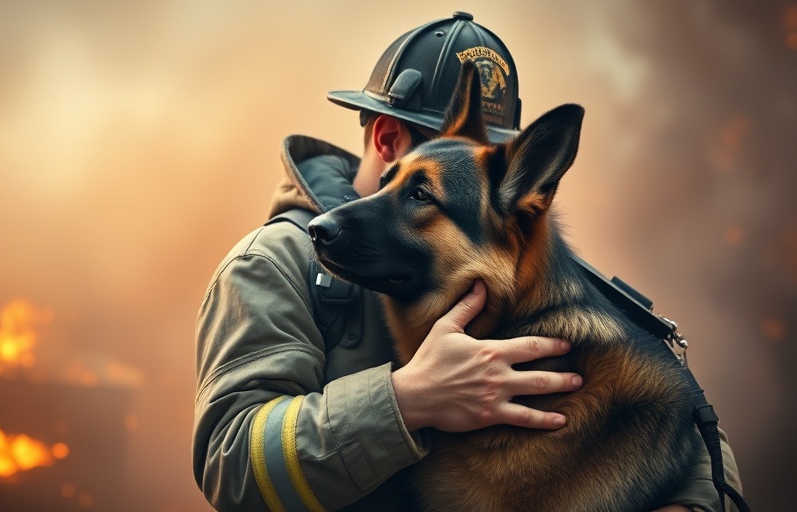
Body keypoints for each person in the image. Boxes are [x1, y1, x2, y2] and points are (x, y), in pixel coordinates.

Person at [193, 12, 742, 512]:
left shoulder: (516, 262)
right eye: (452, 150)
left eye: (489, 153)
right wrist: (406, 401)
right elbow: (229, 463)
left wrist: (693, 507)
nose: (474, 162)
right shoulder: (272, 265)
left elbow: (682, 423)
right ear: (388, 137)